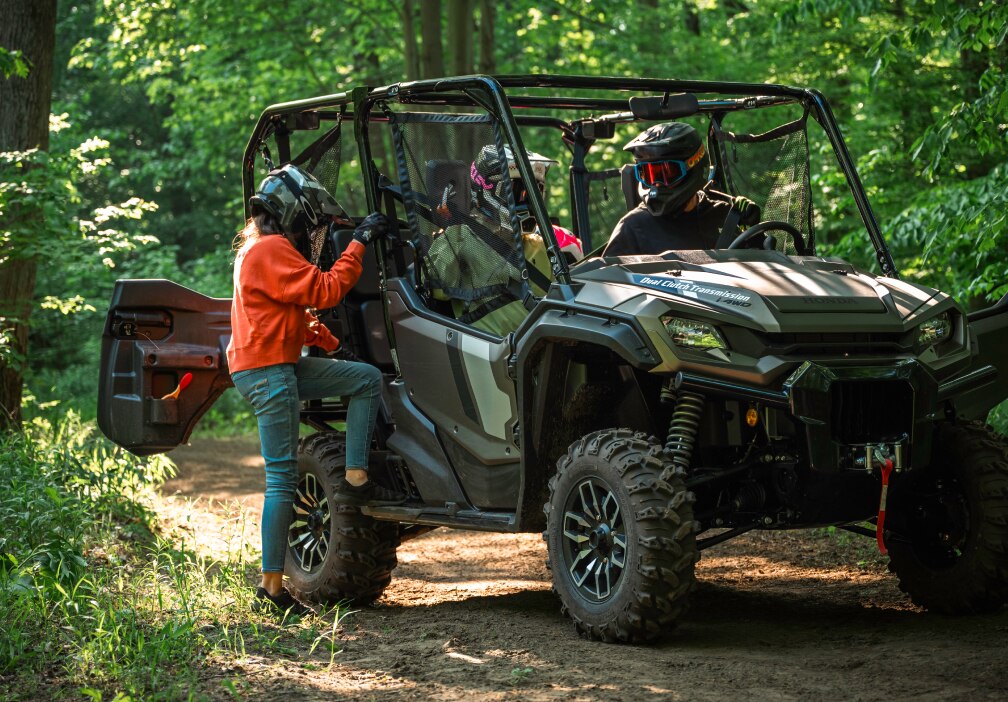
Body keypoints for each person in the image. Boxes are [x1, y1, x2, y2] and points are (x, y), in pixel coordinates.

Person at [227, 164, 405, 619]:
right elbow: (324, 291)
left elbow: (296, 310)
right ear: (290, 214)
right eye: (309, 220)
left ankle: (355, 475)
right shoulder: (270, 249)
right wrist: (361, 240)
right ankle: (271, 590)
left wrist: (331, 344)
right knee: (282, 478)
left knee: (364, 378)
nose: (313, 229)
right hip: (269, 373)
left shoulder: (259, 250)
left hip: (277, 365)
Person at [423, 144, 581, 337]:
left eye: (533, 192)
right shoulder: (459, 238)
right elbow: (436, 291)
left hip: (544, 347)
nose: (527, 202)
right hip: (490, 351)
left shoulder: (540, 244)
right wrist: (453, 222)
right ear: (485, 190)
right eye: (517, 192)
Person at [603, 121, 760, 257]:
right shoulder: (634, 227)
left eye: (665, 173)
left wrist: (748, 228)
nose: (656, 184)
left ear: (695, 166)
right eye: (648, 175)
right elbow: (607, 284)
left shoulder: (725, 216)